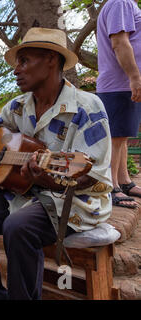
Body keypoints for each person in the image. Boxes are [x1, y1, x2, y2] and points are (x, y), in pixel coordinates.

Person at [0, 27, 113, 300]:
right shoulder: (17, 106)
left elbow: (94, 176)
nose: (16, 69)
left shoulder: (88, 107)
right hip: (24, 193)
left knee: (18, 227)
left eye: (25, 61)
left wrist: (49, 179)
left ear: (52, 59)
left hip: (74, 202)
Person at [96, 0, 141, 208]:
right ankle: (111, 186)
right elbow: (120, 42)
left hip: (121, 82)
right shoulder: (120, 2)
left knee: (121, 135)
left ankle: (124, 181)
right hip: (119, 81)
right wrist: (134, 77)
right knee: (115, 136)